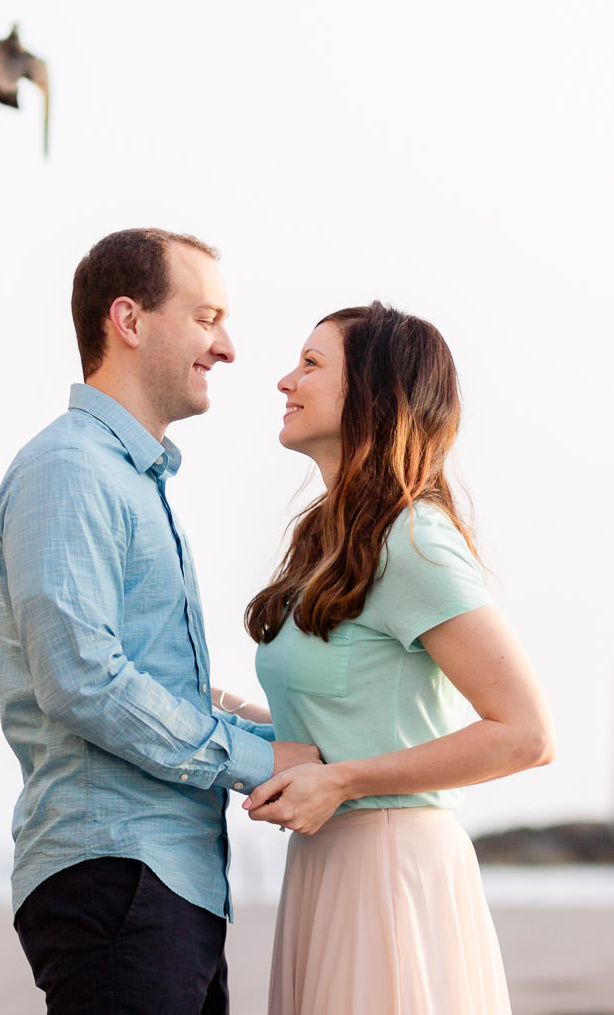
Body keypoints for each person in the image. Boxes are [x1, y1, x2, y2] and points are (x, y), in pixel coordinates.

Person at [0, 228, 321, 1015]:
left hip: (163, 880)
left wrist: (292, 743)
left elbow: (141, 679)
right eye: (206, 318)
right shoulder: (71, 469)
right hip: (120, 877)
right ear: (129, 321)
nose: (228, 347)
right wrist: (257, 759)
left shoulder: (130, 479)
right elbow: (84, 681)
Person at [228, 302, 555, 1015]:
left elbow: (527, 734)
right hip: (329, 862)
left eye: (311, 364)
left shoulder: (415, 541)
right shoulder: (332, 544)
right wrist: (227, 716)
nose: (285, 380)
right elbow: (350, 723)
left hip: (391, 867)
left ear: (372, 393)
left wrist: (343, 781)